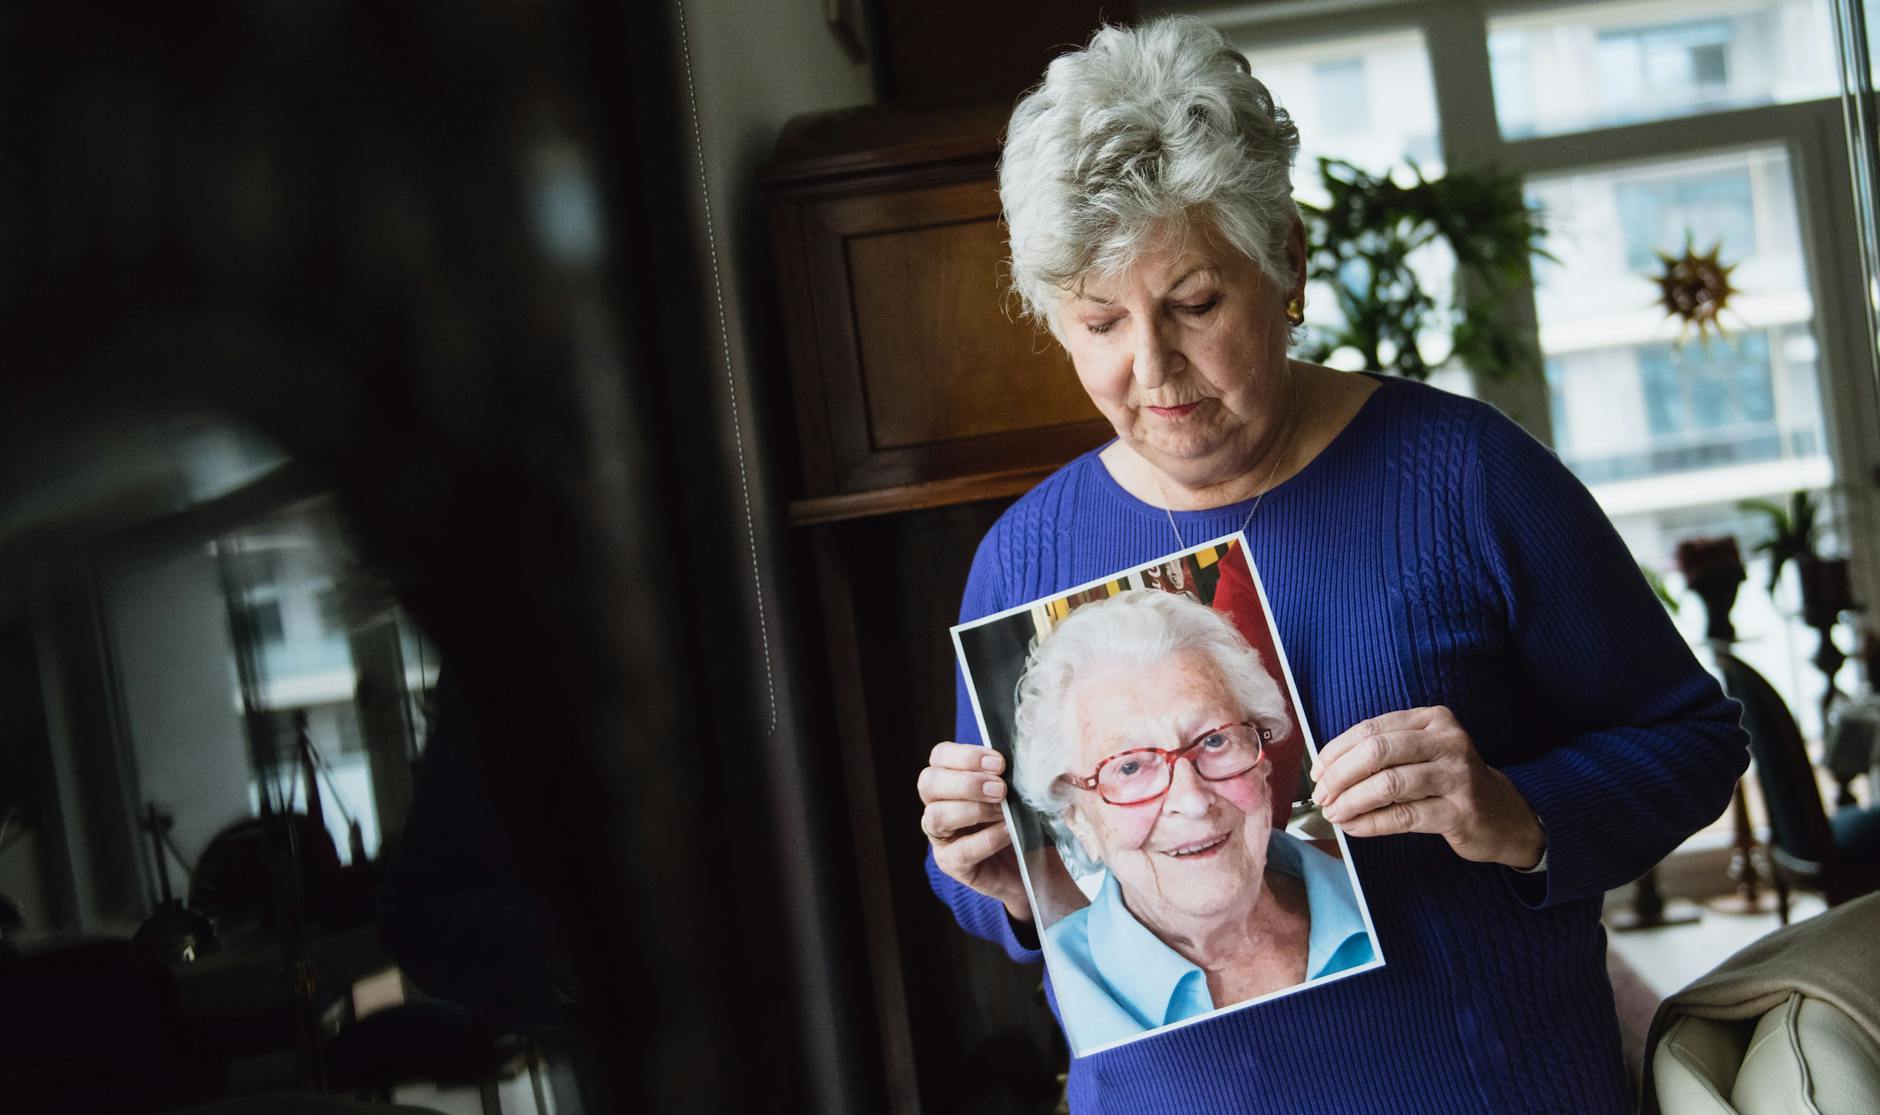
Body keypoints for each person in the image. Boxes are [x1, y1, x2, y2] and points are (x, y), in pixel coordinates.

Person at [913, 16, 1748, 1114]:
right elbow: (1014, 892)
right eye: (1098, 321)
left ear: (1287, 265)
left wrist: (1515, 809)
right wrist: (987, 871)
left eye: (1194, 303)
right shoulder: (1024, 554)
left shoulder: (1465, 476)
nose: (1151, 369)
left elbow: (1691, 738)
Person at [1009, 589, 1373, 1052]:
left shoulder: (1377, 892)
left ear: (1263, 763)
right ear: (1079, 819)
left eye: (1216, 741)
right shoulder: (1074, 981)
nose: (1193, 801)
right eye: (1129, 767)